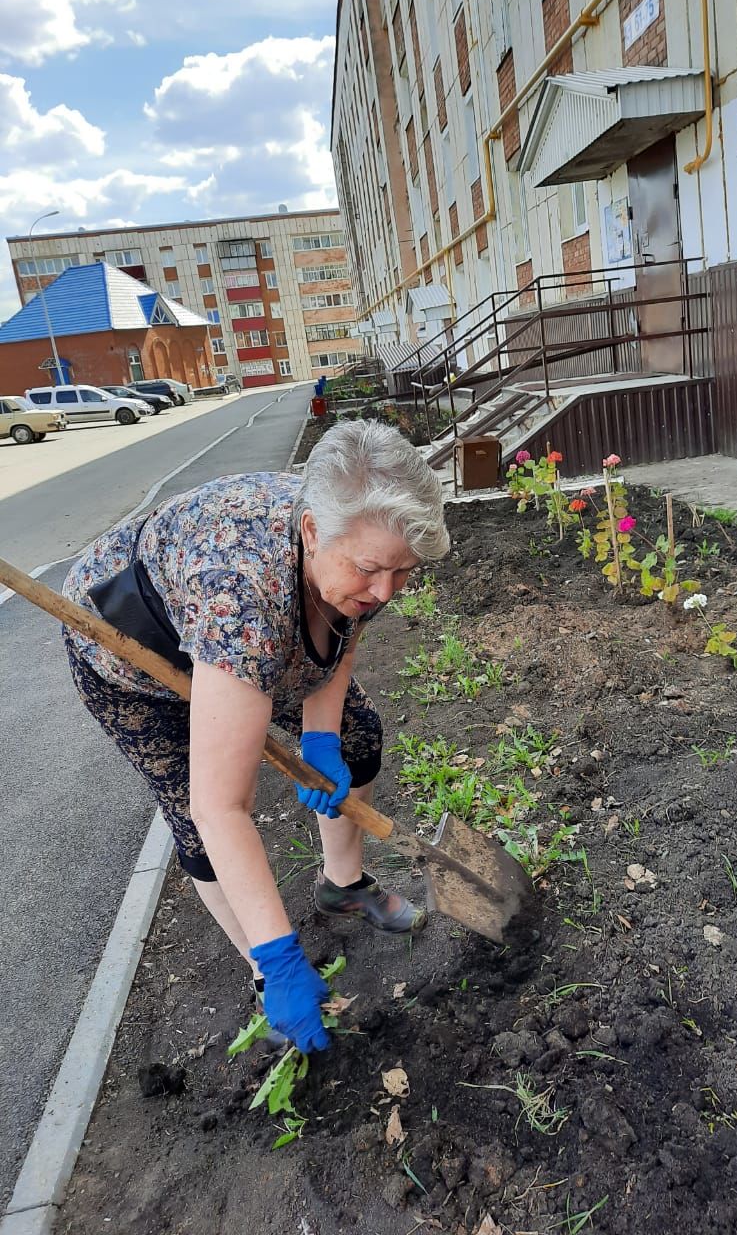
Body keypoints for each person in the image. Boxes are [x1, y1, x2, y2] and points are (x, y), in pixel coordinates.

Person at [62, 419, 449, 1054]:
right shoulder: (242, 593)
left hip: (245, 621)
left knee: (358, 736)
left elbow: (345, 625)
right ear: (310, 533)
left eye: (402, 573)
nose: (385, 592)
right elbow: (221, 807)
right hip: (133, 656)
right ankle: (268, 972)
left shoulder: (351, 540)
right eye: (373, 570)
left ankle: (342, 884)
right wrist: (283, 956)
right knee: (198, 817)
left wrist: (321, 739)